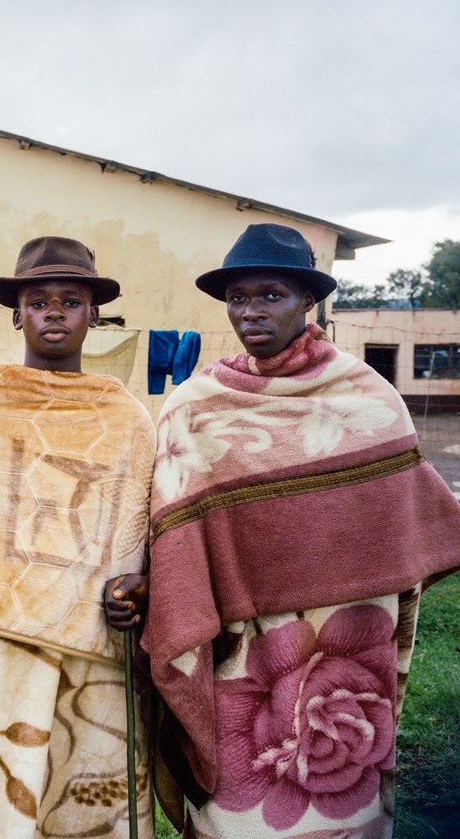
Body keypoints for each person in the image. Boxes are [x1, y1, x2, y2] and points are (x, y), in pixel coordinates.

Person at [122, 222, 460, 837]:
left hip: (349, 640)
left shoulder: (369, 399)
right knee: (242, 798)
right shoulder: (196, 406)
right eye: (238, 297)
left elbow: (405, 526)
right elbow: (175, 536)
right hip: (242, 653)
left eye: (270, 295)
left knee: (345, 786)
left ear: (308, 301)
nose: (250, 311)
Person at [0, 236, 155, 839]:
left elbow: (146, 519)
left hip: (96, 640)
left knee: (93, 780)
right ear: (17, 315)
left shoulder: (125, 415)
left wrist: (140, 585)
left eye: (71, 300)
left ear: (95, 314)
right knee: (5, 784)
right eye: (39, 301)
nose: (55, 312)